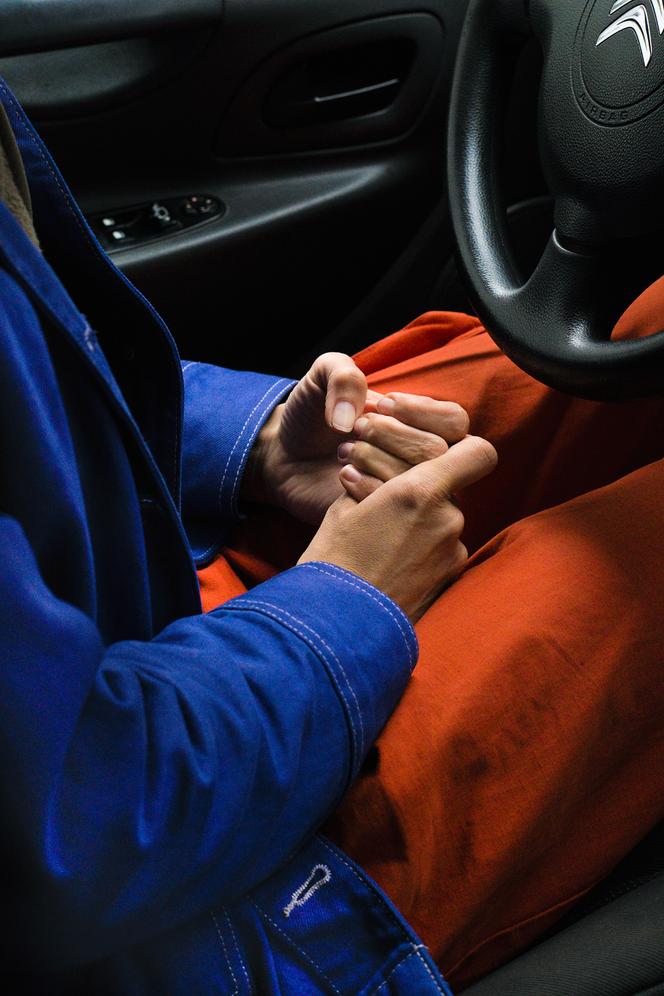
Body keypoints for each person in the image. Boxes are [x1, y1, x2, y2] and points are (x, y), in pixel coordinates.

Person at [1, 76, 663, 996]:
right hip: (169, 903)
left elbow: (37, 383)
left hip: (126, 636)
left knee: (629, 340)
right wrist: (344, 603)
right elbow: (68, 831)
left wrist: (260, 443)